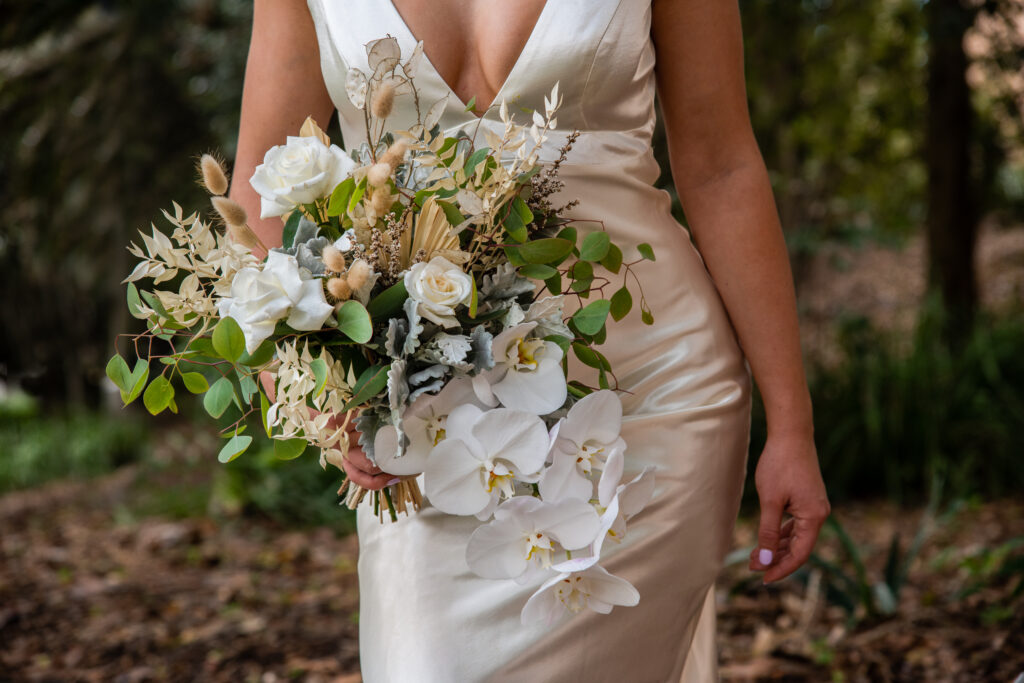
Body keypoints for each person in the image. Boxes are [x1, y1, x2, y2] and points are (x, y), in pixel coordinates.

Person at [231, 0, 830, 680]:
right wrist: (309, 380)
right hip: (422, 418)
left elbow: (721, 165)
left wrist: (791, 425)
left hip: (653, 397)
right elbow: (257, 188)